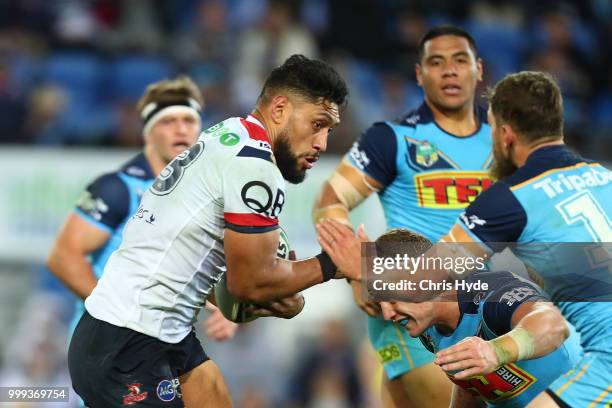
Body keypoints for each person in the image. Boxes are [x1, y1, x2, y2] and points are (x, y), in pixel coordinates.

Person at [68, 54, 349, 408]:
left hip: (150, 331)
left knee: (212, 391)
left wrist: (272, 288)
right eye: (317, 124)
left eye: (329, 130)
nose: (322, 143)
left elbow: (200, 261)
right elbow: (250, 282)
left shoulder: (229, 131)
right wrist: (333, 265)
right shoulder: (255, 167)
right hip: (127, 343)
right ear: (279, 109)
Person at [318, 71, 612, 408]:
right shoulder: (604, 177)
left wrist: (366, 267)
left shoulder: (510, 200)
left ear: (505, 134)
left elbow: (436, 270)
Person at [312, 25, 492, 407]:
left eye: (459, 61)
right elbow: (329, 202)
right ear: (419, 74)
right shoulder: (391, 138)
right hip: (405, 308)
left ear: (478, 69)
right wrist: (357, 271)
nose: (449, 71)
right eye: (436, 62)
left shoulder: (506, 142)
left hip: (486, 311)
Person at [47, 75, 238, 342]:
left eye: (189, 120)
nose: (181, 130)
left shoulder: (206, 196)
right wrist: (114, 316)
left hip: (163, 341)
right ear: (148, 131)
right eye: (168, 121)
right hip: (107, 346)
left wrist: (225, 308)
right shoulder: (118, 188)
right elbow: (63, 257)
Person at [377, 229, 582, 408]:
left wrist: (497, 350)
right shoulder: (427, 326)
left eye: (392, 300)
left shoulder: (490, 295)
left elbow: (553, 323)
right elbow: (473, 382)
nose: (387, 314)